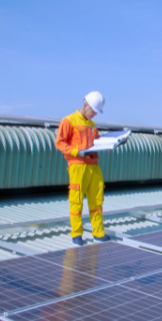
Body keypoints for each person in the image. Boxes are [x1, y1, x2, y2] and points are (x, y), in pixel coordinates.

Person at [55, 91, 110, 246]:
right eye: (93, 111)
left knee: (97, 201)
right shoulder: (68, 121)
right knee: (77, 201)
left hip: (94, 166)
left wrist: (111, 144)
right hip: (78, 166)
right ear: (86, 105)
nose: (94, 115)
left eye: (96, 113)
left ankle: (98, 233)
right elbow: (59, 143)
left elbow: (97, 142)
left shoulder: (92, 125)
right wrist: (75, 152)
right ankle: (77, 234)